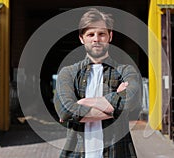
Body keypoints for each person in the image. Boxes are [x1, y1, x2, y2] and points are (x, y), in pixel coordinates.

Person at [54, 8, 142, 158]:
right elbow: (66, 111)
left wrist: (84, 102)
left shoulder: (126, 71)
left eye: (101, 34)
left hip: (117, 153)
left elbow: (131, 101)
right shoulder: (68, 73)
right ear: (82, 38)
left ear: (110, 36)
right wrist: (116, 107)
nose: (96, 39)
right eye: (90, 34)